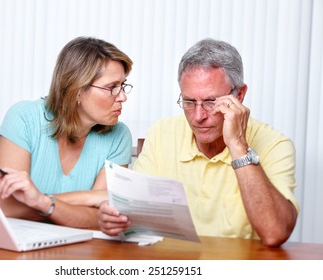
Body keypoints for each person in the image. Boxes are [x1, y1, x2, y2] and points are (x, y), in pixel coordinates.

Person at [98, 38, 298, 247]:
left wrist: (238, 146)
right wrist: (113, 218)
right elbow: (135, 215)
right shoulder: (162, 133)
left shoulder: (276, 144)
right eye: (189, 102)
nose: (198, 116)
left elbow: (275, 233)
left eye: (211, 102)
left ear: (239, 95)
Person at [0, 36, 133, 228]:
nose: (123, 97)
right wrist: (89, 198)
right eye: (112, 87)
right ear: (77, 90)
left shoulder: (119, 136)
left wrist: (39, 201)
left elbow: (99, 218)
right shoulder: (24, 118)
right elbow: (6, 208)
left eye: (123, 85)